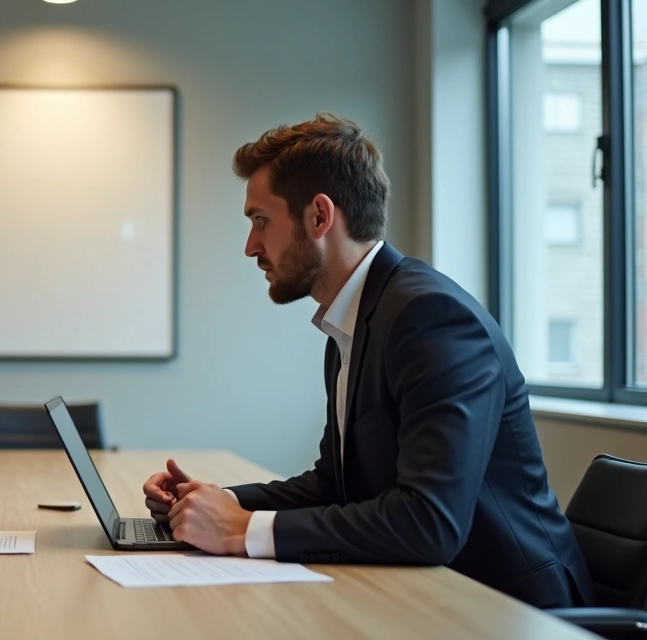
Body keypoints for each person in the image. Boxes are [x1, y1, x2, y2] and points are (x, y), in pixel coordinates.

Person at [142, 113, 595, 609]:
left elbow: (430, 522)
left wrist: (244, 529)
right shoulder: (353, 321)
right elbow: (336, 485)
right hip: (433, 596)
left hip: (514, 610)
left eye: (261, 221)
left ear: (320, 216)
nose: (251, 246)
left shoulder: (430, 317)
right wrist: (216, 503)